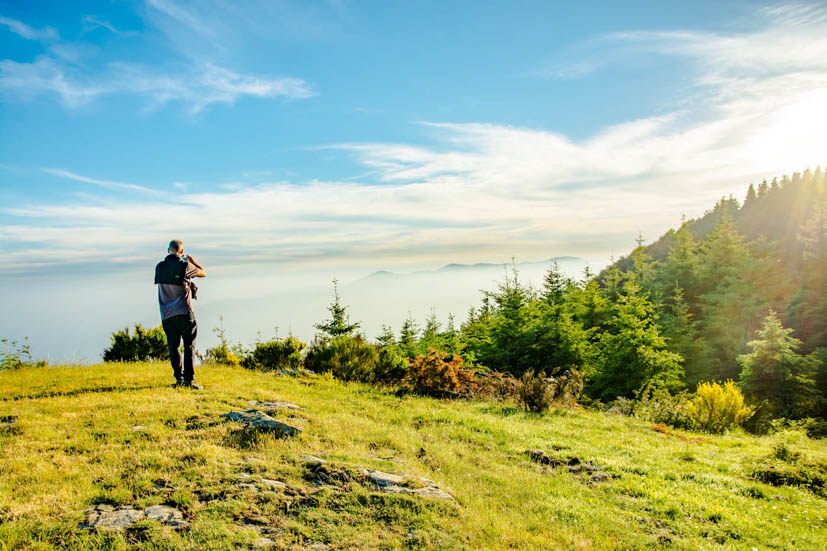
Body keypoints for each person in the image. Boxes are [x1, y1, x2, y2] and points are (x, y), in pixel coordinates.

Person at [154, 239, 206, 388]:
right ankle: (189, 380)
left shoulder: (160, 267)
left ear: (168, 250)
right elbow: (203, 273)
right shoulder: (185, 265)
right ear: (181, 252)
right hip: (184, 312)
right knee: (189, 345)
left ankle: (179, 379)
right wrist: (192, 261)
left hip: (166, 314)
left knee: (173, 346)